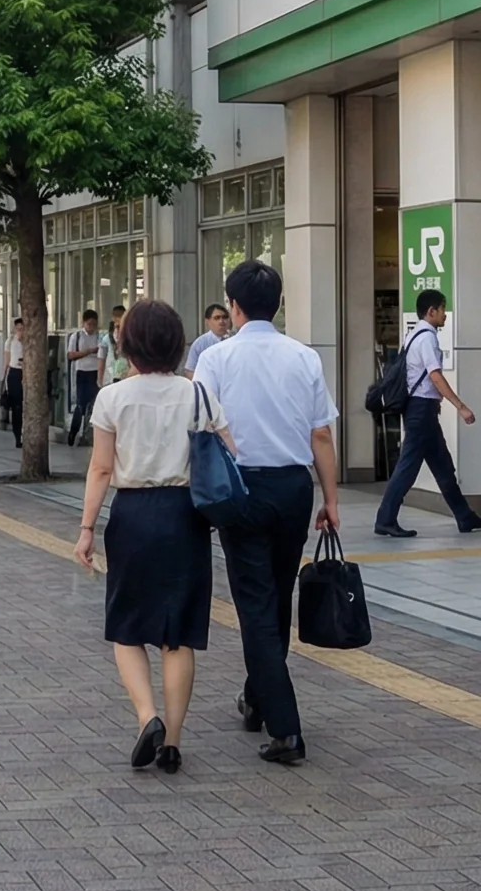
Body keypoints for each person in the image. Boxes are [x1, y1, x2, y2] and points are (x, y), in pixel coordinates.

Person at [192, 260, 340, 767]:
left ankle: (286, 729)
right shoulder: (305, 358)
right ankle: (257, 698)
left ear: (232, 307)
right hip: (294, 488)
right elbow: (321, 434)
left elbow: (202, 431)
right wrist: (332, 501)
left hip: (240, 490)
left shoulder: (216, 359)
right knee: (277, 595)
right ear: (277, 305)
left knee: (255, 606)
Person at [75, 300, 222, 774]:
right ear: (178, 343)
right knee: (177, 634)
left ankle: (147, 716)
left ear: (128, 343)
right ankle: (173, 742)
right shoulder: (197, 394)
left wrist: (85, 531)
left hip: (133, 514)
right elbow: (228, 453)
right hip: (187, 516)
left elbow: (100, 469)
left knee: (128, 625)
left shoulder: (112, 398)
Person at [373, 291, 481, 539]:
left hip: (420, 410)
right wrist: (460, 406)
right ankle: (385, 519)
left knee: (442, 465)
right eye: (442, 309)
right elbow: (435, 376)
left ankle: (464, 516)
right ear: (431, 311)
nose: (445, 314)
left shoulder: (413, 335)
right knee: (407, 468)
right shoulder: (426, 338)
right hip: (421, 411)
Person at [66, 309, 104, 445]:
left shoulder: (100, 336)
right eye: (89, 324)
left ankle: (88, 434)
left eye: (94, 325)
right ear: (84, 323)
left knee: (93, 403)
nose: (91, 328)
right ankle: (73, 431)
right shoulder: (76, 337)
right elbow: (70, 355)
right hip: (82, 372)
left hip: (95, 371)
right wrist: (88, 351)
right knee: (80, 404)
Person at [181, 304, 234, 374]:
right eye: (217, 318)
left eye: (225, 317)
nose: (221, 321)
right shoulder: (200, 344)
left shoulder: (235, 339)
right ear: (207, 322)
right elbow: (190, 370)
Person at [1, 318, 27, 445]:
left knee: (25, 406)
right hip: (14, 373)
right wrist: (4, 377)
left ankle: (25, 433)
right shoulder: (10, 341)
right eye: (18, 329)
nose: (20, 332)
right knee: (16, 407)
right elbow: (6, 360)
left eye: (22, 329)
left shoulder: (29, 342)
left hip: (26, 373)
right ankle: (17, 436)